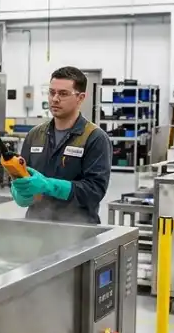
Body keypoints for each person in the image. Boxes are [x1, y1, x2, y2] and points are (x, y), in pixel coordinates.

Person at [10, 66, 112, 224]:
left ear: (81, 97)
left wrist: (49, 186)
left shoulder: (95, 138)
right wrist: (21, 193)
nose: (55, 99)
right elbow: (24, 177)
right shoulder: (35, 135)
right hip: (36, 226)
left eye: (63, 94)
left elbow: (94, 191)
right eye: (52, 92)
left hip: (78, 230)